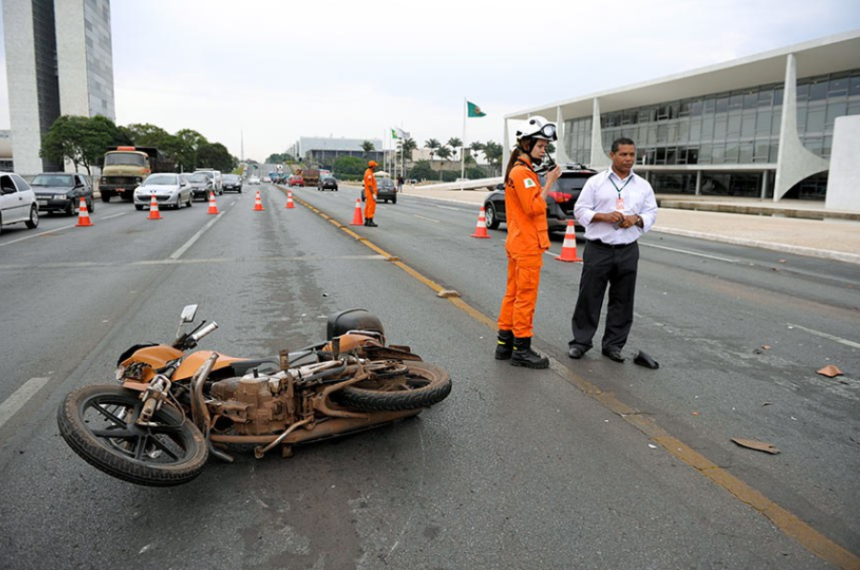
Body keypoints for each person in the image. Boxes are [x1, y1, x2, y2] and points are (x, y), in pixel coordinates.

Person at [567, 137, 658, 363]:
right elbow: (580, 210)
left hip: (627, 249)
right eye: (623, 154)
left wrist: (636, 219)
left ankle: (613, 345)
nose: (628, 159)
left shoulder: (642, 186)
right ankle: (580, 342)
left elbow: (651, 212)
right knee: (589, 297)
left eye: (631, 155)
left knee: (623, 300)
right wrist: (603, 216)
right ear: (612, 155)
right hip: (599, 248)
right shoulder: (596, 182)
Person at [495, 116, 561, 369]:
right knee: (525, 297)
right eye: (541, 146)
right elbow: (534, 207)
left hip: (519, 242)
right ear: (526, 144)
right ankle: (521, 349)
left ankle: (504, 345)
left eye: (546, 146)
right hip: (526, 245)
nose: (544, 150)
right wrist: (551, 182)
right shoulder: (522, 172)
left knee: (513, 294)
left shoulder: (522, 171)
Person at [363, 160, 379, 227]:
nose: (375, 167)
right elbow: (370, 185)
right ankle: (370, 220)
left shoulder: (368, 172)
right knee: (371, 206)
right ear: (372, 166)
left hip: (368, 192)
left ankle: (367, 220)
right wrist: (373, 194)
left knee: (367, 206)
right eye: (375, 166)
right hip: (370, 193)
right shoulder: (369, 174)